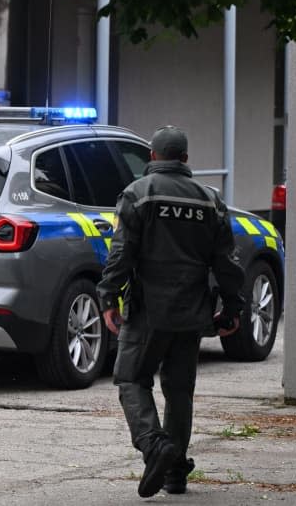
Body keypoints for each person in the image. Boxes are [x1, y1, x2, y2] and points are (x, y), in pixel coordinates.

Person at [96, 126, 245, 498]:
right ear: (185, 160)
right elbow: (226, 261)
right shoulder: (210, 200)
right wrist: (232, 308)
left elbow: (121, 253)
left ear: (152, 158)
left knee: (131, 379)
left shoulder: (137, 194)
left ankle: (154, 445)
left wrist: (108, 297)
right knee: (179, 390)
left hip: (149, 311)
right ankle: (175, 470)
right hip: (192, 312)